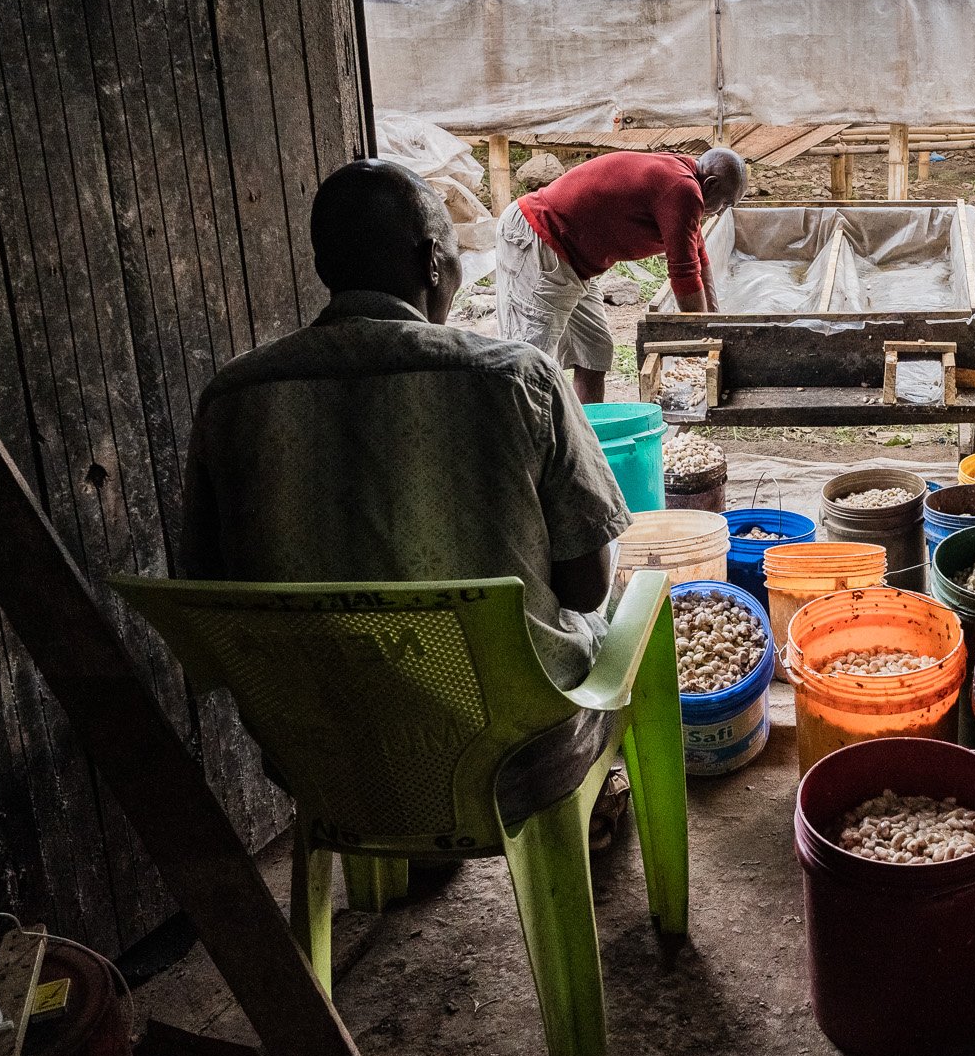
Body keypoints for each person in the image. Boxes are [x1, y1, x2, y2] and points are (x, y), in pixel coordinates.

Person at [182, 158, 631, 692]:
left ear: (326, 269)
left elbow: (207, 585)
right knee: (626, 590)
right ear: (432, 263)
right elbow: (585, 588)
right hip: (519, 743)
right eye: (455, 257)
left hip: (313, 741)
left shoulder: (231, 396)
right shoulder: (518, 379)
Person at [493, 146, 747, 403]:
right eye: (726, 203)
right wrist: (701, 339)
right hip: (539, 237)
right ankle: (515, 440)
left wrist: (715, 323)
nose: (722, 211)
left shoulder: (686, 181)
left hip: (574, 260)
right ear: (711, 184)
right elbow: (684, 276)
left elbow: (699, 257)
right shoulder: (684, 189)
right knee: (529, 364)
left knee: (594, 352)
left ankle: (589, 437)